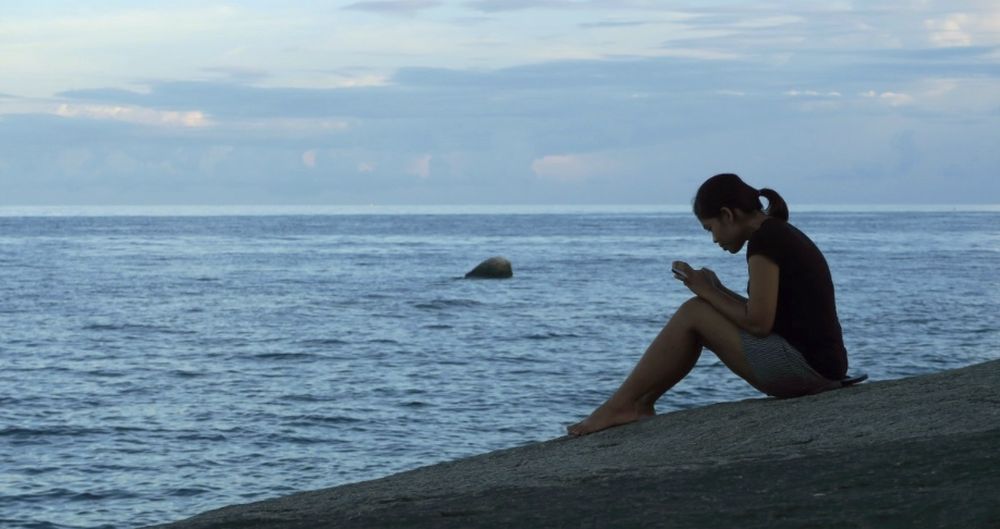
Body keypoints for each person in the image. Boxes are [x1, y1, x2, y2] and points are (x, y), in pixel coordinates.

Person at [568, 173, 849, 436]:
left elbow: (759, 324)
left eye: (710, 228)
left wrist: (706, 292)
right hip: (822, 368)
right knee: (699, 306)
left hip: (806, 371)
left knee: (694, 312)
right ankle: (637, 403)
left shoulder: (765, 240)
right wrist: (718, 290)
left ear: (727, 215)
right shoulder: (778, 233)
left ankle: (623, 405)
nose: (714, 239)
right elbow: (772, 316)